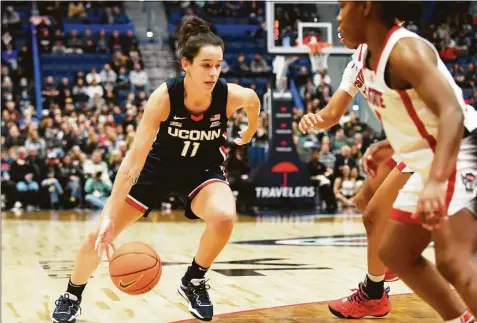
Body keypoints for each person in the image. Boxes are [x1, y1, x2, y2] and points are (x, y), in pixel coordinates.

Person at [51, 16, 260, 323]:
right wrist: (109, 214)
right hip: (157, 169)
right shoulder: (163, 98)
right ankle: (72, 294)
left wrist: (250, 132)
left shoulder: (231, 96)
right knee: (99, 234)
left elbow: (254, 103)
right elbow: (134, 160)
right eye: (205, 64)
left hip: (202, 171)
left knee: (225, 217)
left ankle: (194, 280)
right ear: (186, 64)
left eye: (218, 64)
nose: (213, 72)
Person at [336, 2, 477, 322]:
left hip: (467, 149)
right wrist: (392, 144)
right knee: (395, 253)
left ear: (365, 7)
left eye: (342, 6)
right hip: (432, 156)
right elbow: (416, 113)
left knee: (454, 261)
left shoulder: (405, 52)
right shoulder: (368, 60)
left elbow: (452, 112)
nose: (338, 16)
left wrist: (436, 181)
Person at [299, 25, 413, 319]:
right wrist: (315, 118)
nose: (338, 22)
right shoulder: (358, 60)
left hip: (434, 141)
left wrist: (393, 143)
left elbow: (430, 109)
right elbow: (332, 114)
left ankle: (373, 294)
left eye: (345, 9)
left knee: (375, 215)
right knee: (365, 199)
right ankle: (390, 263)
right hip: (413, 142)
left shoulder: (398, 52)